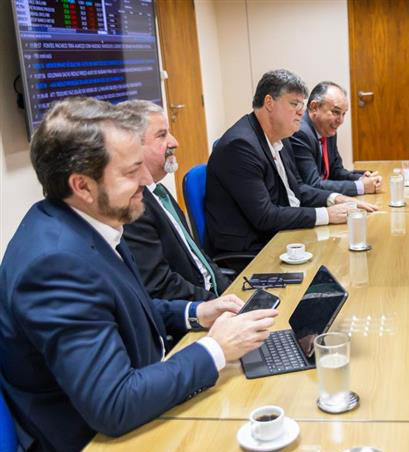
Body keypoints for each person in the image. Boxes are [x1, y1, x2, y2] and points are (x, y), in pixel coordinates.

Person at [0, 97, 278, 451]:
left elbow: (127, 307)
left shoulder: (92, 221)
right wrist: (215, 349)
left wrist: (195, 313)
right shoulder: (54, 266)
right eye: (131, 172)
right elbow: (113, 404)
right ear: (82, 186)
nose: (147, 178)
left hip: (137, 402)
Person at [205, 69, 377, 257]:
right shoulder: (240, 146)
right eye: (294, 104)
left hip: (282, 234)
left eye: (301, 104)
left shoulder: (282, 136)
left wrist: (335, 198)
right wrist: (327, 215)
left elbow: (298, 189)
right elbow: (265, 216)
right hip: (253, 249)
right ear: (269, 103)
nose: (301, 112)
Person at [120, 100, 230, 302]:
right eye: (162, 135)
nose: (175, 142)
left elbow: (199, 259)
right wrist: (216, 304)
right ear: (133, 147)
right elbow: (161, 287)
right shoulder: (133, 206)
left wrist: (232, 293)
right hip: (194, 313)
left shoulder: (158, 191)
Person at [289, 81, 381, 196]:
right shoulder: (300, 133)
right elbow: (313, 184)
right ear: (314, 107)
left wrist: (362, 178)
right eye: (336, 112)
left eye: (344, 114)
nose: (341, 120)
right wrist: (361, 186)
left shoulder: (327, 129)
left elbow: (336, 172)